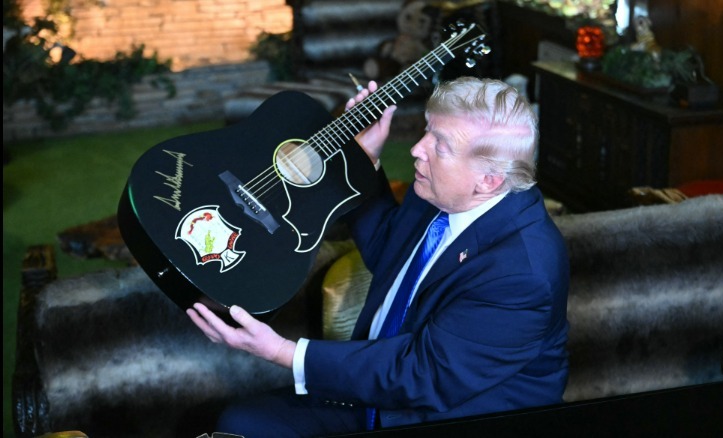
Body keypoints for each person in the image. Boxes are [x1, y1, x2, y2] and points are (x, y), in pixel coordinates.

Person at [187, 76, 570, 437]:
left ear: (489, 180)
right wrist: (363, 158)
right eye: (426, 131)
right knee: (242, 423)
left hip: (440, 414)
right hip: (381, 392)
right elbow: (389, 249)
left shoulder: (522, 272)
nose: (417, 150)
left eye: (440, 145)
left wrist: (282, 351)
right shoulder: (442, 194)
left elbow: (420, 376)